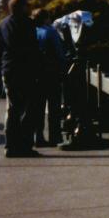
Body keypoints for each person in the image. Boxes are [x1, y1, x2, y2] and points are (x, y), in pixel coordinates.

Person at [0, 0, 43, 157]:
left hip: (8, 70)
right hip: (25, 71)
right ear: (22, 7)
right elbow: (33, 49)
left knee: (12, 108)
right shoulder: (28, 24)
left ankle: (10, 145)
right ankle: (24, 146)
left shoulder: (1, 25)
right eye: (27, 5)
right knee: (29, 109)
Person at [33, 9, 67, 146]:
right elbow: (59, 52)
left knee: (38, 107)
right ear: (46, 18)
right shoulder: (51, 32)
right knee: (54, 107)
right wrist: (63, 66)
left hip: (36, 74)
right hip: (51, 73)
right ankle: (55, 137)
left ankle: (38, 137)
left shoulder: (32, 31)